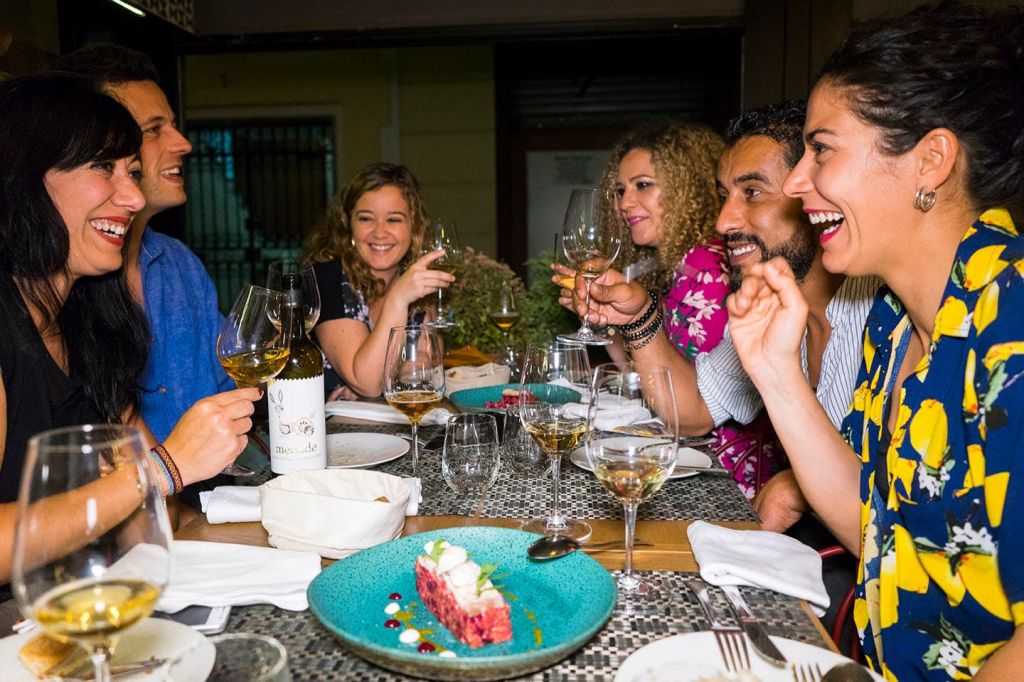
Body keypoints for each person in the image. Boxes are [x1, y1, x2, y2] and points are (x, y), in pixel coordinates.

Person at [728, 3, 1024, 677]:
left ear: (930, 161)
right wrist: (776, 372)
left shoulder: (1012, 322)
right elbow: (877, 524)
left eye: (822, 150)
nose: (798, 183)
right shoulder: (893, 319)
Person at [0, 73, 259, 584]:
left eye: (132, 171)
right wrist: (161, 470)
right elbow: (153, 476)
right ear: (24, 178)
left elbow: (149, 523)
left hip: (89, 605)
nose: (135, 198)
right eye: (103, 167)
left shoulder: (91, 325)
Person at [564, 103, 879, 504]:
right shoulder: (760, 307)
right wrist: (639, 319)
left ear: (812, 191)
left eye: (752, 192)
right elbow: (692, 414)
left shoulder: (883, 312)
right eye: (725, 196)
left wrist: (796, 488)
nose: (723, 221)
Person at [56, 44, 234, 445]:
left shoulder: (180, 265)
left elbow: (233, 382)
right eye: (154, 129)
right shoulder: (58, 290)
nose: (183, 143)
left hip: (201, 498)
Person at [306, 162, 453, 398]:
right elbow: (368, 383)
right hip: (324, 432)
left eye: (394, 219)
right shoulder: (326, 278)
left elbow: (426, 379)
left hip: (387, 430)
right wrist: (397, 300)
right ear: (348, 224)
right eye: (366, 219)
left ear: (413, 227)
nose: (380, 232)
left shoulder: (416, 283)